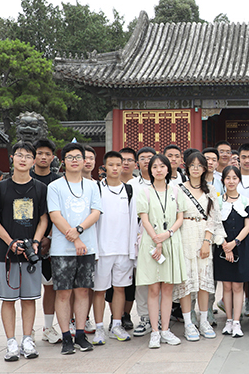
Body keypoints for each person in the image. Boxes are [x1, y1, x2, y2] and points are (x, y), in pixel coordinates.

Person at [0, 141, 49, 361]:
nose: (23, 159)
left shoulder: (40, 188)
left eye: (28, 156)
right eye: (19, 155)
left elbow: (43, 219)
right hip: (6, 253)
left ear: (33, 161)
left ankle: (27, 340)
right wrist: (10, 242)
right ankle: (11, 342)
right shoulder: (0, 188)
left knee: (30, 298)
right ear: (12, 158)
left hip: (31, 253)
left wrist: (36, 242)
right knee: (8, 299)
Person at [48, 143, 102, 355]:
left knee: (83, 291)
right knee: (63, 293)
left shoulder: (92, 186)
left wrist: (78, 231)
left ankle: (80, 334)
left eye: (78, 157)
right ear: (63, 162)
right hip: (62, 249)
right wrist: (75, 239)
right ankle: (65, 337)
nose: (75, 161)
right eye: (70, 157)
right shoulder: (55, 187)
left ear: (84, 160)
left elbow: (96, 212)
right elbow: (55, 215)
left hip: (87, 247)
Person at [136, 154, 186, 349]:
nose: (158, 170)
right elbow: (145, 219)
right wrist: (157, 239)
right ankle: (155, 331)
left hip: (171, 241)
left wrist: (168, 233)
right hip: (151, 242)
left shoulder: (176, 191)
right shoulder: (144, 192)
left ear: (168, 169)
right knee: (153, 288)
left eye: (162, 166)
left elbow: (180, 218)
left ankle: (165, 329)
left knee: (167, 289)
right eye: (155, 166)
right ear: (150, 170)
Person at [91, 151, 139, 345]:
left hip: (123, 249)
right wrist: (94, 249)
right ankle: (99, 327)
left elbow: (134, 221)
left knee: (120, 288)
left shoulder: (129, 190)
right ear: (104, 167)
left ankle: (116, 324)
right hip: (102, 250)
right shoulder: (97, 189)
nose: (115, 168)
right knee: (99, 290)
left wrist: (132, 250)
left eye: (118, 164)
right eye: (111, 164)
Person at [175, 152, 221, 342]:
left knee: (204, 282)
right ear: (187, 167)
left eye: (199, 165)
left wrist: (207, 241)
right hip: (184, 235)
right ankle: (188, 323)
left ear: (204, 168)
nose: (196, 168)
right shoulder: (177, 189)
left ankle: (204, 321)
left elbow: (213, 218)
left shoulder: (210, 189)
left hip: (203, 235)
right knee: (186, 283)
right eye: (192, 165)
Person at [214, 166, 249, 338]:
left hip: (240, 248)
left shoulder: (246, 202)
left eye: (234, 178)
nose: (231, 181)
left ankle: (237, 321)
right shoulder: (217, 202)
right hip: (222, 247)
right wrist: (225, 245)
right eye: (228, 178)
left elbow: (247, 227)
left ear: (239, 180)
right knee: (227, 286)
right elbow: (215, 225)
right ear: (223, 180)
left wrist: (234, 243)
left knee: (238, 286)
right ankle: (228, 320)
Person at [30, 139, 62, 344]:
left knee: (50, 287)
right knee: (28, 291)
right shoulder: (24, 178)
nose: (43, 157)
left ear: (53, 157)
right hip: (27, 241)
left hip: (53, 241)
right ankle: (28, 331)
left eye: (47, 154)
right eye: (39, 153)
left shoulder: (58, 181)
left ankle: (48, 328)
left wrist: (49, 237)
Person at [129, 146, 157, 338]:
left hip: (162, 237)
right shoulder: (132, 185)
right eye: (143, 158)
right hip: (141, 238)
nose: (146, 160)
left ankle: (160, 316)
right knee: (142, 280)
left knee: (161, 279)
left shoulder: (166, 183)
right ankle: (145, 317)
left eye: (150, 157)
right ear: (137, 162)